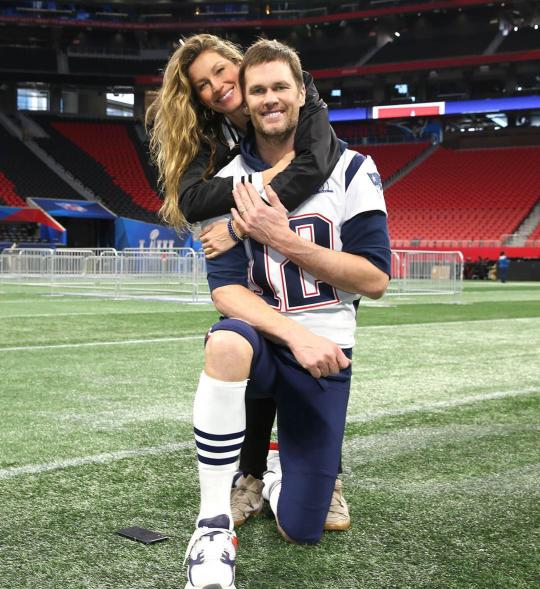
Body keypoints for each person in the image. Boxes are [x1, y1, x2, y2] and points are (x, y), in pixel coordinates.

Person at [184, 39, 391, 588]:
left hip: (325, 355)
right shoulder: (227, 182)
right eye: (259, 91)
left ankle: (280, 479)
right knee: (225, 341)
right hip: (269, 341)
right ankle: (211, 525)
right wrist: (294, 334)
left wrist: (283, 239)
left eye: (280, 87)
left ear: (302, 92)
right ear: (245, 103)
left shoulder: (352, 168)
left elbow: (374, 280)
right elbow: (226, 293)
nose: (270, 99)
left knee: (304, 527)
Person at [146, 34, 350, 531]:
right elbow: (192, 201)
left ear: (240, 63)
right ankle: (252, 474)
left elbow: (317, 162)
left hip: (310, 245)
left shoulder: (299, 95)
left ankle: (327, 474)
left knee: (318, 355)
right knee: (247, 349)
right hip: (258, 261)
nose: (217, 86)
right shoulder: (210, 134)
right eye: (202, 85)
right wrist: (261, 181)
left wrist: (240, 219)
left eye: (221, 70)